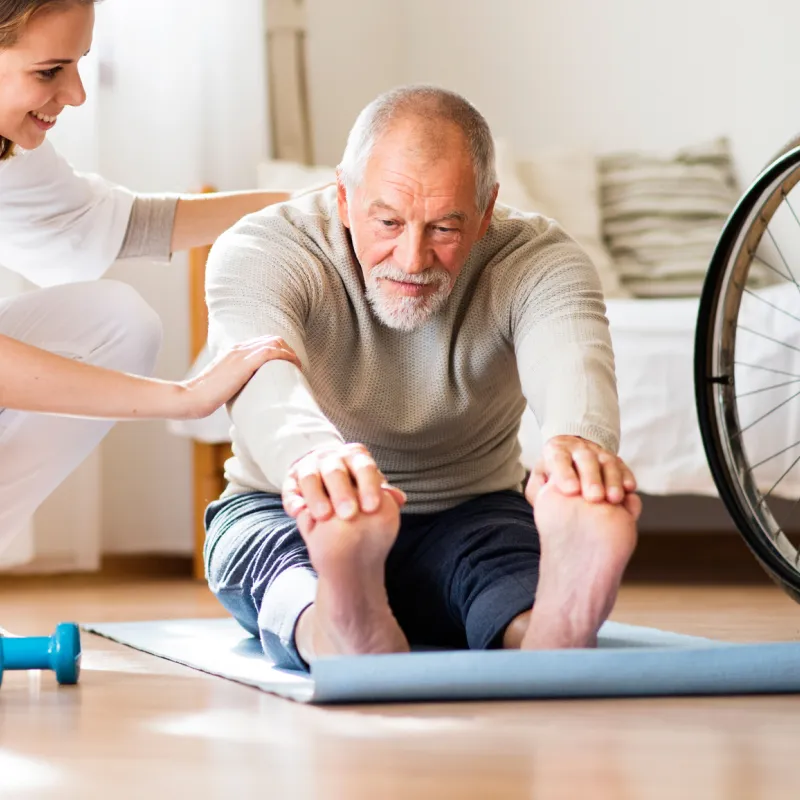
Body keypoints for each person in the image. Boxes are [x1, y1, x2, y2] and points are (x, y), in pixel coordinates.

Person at [203, 85, 642, 670]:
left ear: (486, 210)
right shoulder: (262, 248)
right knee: (281, 568)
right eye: (387, 221)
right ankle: (335, 622)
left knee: (501, 567)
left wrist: (576, 450)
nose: (411, 259)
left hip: (471, 513)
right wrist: (318, 466)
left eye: (444, 229)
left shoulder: (540, 258)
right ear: (343, 197)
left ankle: (551, 631)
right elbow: (263, 381)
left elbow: (572, 358)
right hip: (290, 508)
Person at [0, 0, 299, 559]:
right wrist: (183, 397)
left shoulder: (9, 153)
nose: (77, 94)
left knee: (116, 323)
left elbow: (125, 223)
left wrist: (310, 206)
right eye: (49, 71)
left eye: (79, 63)